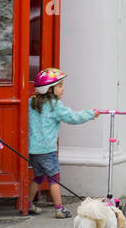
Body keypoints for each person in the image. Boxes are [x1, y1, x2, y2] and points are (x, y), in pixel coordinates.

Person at [28, 68, 102, 217]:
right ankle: (59, 209)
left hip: (33, 150)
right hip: (48, 150)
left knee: (38, 177)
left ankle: (28, 204)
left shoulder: (32, 102)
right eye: (60, 85)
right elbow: (73, 117)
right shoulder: (56, 106)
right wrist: (90, 114)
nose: (63, 89)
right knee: (54, 179)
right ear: (49, 89)